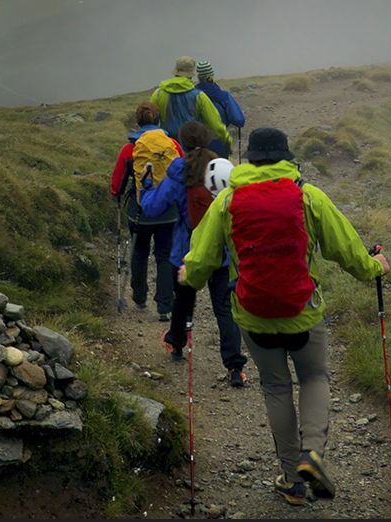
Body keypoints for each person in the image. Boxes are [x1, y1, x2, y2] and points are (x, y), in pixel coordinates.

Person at [178, 127, 391, 505]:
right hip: (302, 314)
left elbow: (202, 259)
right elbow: (347, 251)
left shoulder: (227, 201)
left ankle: (292, 480)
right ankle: (313, 454)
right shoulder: (308, 196)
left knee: (275, 386)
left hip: (252, 315)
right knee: (313, 376)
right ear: (286, 158)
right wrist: (374, 266)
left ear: (251, 161)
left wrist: (187, 275)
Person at [139, 121, 247, 387]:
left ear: (182, 144)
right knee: (224, 308)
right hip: (221, 253)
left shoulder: (179, 173)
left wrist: (146, 185)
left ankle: (176, 343)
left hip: (187, 253)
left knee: (184, 302)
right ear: (209, 139)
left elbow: (152, 209)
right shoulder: (223, 169)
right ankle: (235, 367)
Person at [110, 101, 183, 321]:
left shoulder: (130, 148)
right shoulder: (172, 145)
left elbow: (117, 184)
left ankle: (139, 297)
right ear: (158, 120)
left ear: (137, 122)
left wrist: (117, 196)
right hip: (169, 210)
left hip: (140, 211)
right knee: (164, 255)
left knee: (140, 252)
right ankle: (164, 306)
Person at [150, 56, 233, 157]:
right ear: (191, 75)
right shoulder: (199, 96)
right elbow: (215, 124)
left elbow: (150, 121)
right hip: (190, 152)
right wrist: (226, 140)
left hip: (166, 150)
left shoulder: (158, 94)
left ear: (175, 72)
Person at [195, 60, 246, 159]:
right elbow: (239, 120)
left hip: (196, 146)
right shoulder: (223, 96)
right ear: (212, 76)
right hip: (219, 146)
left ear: (199, 77)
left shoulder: (192, 96)